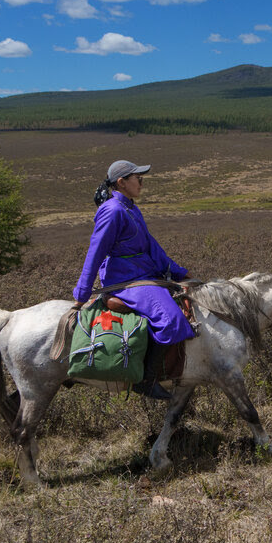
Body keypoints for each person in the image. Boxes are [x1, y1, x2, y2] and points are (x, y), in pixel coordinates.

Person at [73, 159, 195, 399]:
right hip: (125, 279)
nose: (141, 182)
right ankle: (146, 380)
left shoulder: (130, 207)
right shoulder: (112, 211)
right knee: (170, 320)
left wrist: (180, 271)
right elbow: (95, 252)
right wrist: (82, 294)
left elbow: (151, 246)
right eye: (137, 178)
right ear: (121, 182)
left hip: (141, 273)